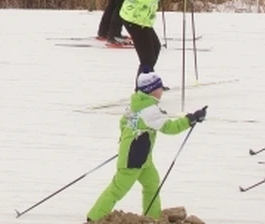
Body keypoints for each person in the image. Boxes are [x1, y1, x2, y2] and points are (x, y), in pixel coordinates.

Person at [87, 72, 207, 222]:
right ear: (152, 90)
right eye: (160, 88)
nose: (162, 91)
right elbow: (170, 128)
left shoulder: (136, 103)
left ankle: (152, 217)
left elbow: (123, 122)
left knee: (152, 183)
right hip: (134, 158)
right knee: (118, 189)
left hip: (141, 156)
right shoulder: (149, 110)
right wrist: (191, 119)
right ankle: (94, 217)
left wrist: (127, 142)